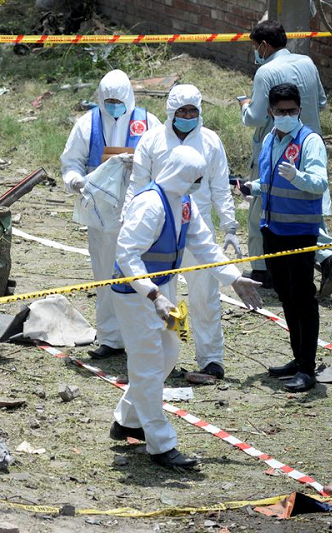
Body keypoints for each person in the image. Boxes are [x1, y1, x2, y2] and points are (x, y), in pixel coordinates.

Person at [110, 145, 262, 468]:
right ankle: (161, 445)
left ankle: (126, 419)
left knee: (169, 353)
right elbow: (126, 255)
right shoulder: (150, 205)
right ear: (181, 175)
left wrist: (234, 278)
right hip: (136, 294)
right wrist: (153, 295)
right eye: (195, 178)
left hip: (164, 288)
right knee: (149, 364)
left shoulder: (185, 204)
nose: (197, 184)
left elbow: (205, 247)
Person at [124, 84, 239, 379]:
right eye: (182, 111)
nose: (187, 116)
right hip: (160, 232)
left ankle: (211, 358)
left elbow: (220, 186)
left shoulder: (211, 142)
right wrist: (130, 220)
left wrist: (229, 225)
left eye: (192, 111)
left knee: (205, 297)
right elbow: (138, 185)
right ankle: (166, 358)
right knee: (163, 296)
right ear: (171, 112)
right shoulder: (152, 141)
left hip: (197, 228)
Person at [60, 69, 162, 360]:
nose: (114, 106)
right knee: (105, 275)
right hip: (102, 214)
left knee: (139, 275)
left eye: (119, 100)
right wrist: (75, 181)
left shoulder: (148, 122)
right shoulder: (87, 123)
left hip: (139, 211)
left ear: (129, 97)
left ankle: (140, 337)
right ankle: (110, 338)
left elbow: (162, 158)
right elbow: (71, 161)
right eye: (109, 100)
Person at [239, 20, 332, 296]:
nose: (255, 52)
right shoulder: (308, 63)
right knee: (307, 209)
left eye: (255, 47)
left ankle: (263, 270)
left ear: (263, 45)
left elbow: (255, 118)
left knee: (264, 209)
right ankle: (327, 255)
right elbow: (321, 102)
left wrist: (244, 106)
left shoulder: (266, 72)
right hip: (309, 143)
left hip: (276, 149)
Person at [249, 83, 328, 393]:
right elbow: (270, 181)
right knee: (285, 296)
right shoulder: (269, 139)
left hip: (299, 232)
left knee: (303, 298)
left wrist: (299, 178)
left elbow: (319, 183)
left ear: (299, 111)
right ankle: (297, 359)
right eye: (280, 111)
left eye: (291, 111)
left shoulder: (309, 142)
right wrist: (252, 187)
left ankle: (307, 369)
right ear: (270, 112)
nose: (285, 115)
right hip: (273, 230)